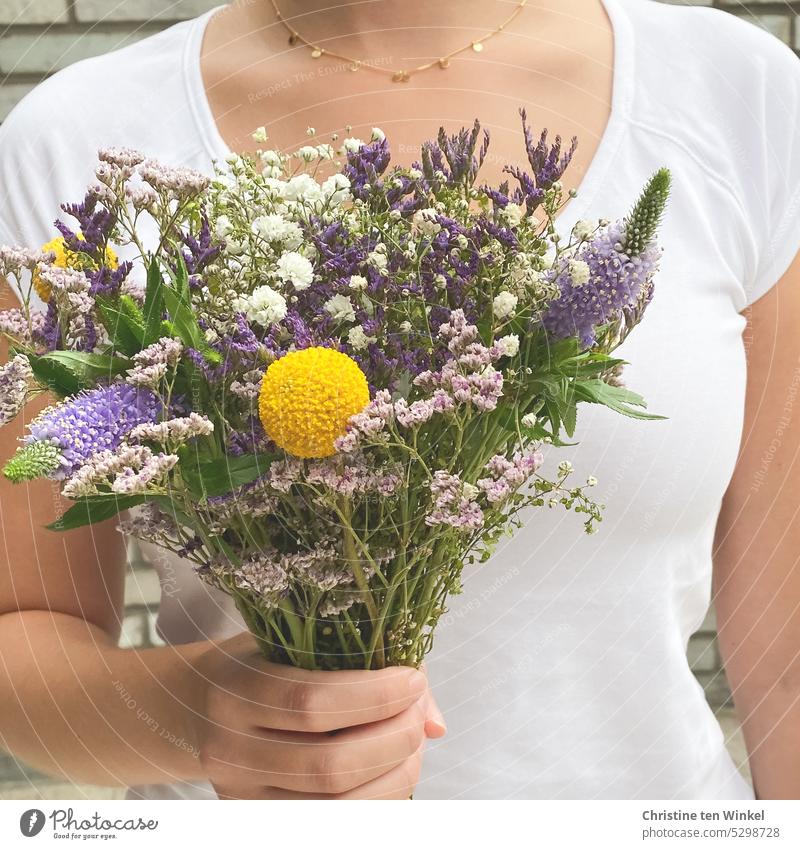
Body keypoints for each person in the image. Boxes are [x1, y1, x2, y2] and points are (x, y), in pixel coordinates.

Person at [0, 0, 799, 801]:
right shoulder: (76, 140)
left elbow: (787, 664)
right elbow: (25, 631)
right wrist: (201, 713)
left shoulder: (738, 97)